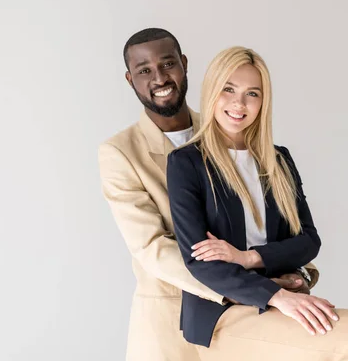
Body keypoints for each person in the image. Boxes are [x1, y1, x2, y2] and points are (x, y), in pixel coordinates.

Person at [167, 46, 348, 360]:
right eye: (229, 89)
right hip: (224, 316)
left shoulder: (279, 161)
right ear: (212, 90)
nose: (239, 104)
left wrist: (248, 257)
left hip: (282, 303)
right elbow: (200, 263)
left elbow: (308, 241)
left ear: (263, 102)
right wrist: (276, 296)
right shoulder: (187, 164)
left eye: (252, 93)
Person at [98, 28, 318, 361]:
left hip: (252, 314)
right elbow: (151, 246)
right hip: (171, 320)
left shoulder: (231, 122)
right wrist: (244, 288)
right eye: (144, 70)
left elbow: (274, 219)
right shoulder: (119, 152)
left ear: (185, 65)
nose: (159, 77)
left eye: (168, 63)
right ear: (130, 80)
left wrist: (289, 275)